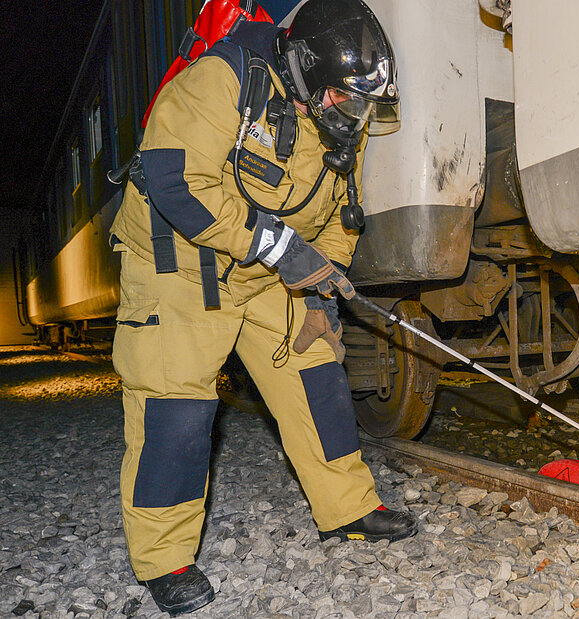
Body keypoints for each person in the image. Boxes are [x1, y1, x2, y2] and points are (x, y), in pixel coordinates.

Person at [109, 1, 413, 615]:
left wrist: (324, 282)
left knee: (317, 374)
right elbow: (176, 182)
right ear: (303, 71)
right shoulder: (224, 81)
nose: (351, 116)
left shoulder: (337, 121)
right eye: (341, 99)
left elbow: (338, 216)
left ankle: (348, 511)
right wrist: (277, 247)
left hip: (263, 271)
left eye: (361, 104)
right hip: (178, 267)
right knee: (177, 410)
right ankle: (164, 559)